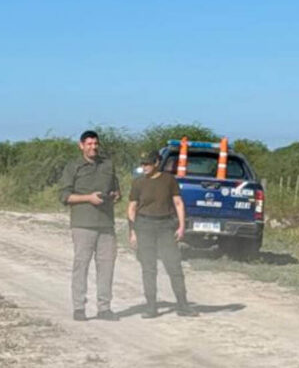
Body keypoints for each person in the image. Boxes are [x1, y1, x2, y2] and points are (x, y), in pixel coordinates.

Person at [58, 130, 120, 321]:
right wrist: (88, 198)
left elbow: (117, 191)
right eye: (89, 144)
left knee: (107, 267)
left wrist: (113, 196)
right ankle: (79, 307)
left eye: (95, 144)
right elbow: (64, 196)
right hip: (83, 224)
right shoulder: (73, 167)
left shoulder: (108, 165)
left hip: (106, 225)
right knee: (81, 266)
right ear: (81, 145)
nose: (93, 147)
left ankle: (104, 308)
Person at [127, 150, 198, 318]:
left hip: (165, 226)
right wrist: (132, 232)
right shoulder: (138, 183)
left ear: (157, 163)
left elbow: (178, 203)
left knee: (174, 266)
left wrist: (181, 226)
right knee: (148, 268)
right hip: (144, 226)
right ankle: (151, 307)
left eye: (147, 164)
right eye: (142, 164)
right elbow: (132, 207)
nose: (144, 167)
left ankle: (183, 305)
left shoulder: (169, 180)